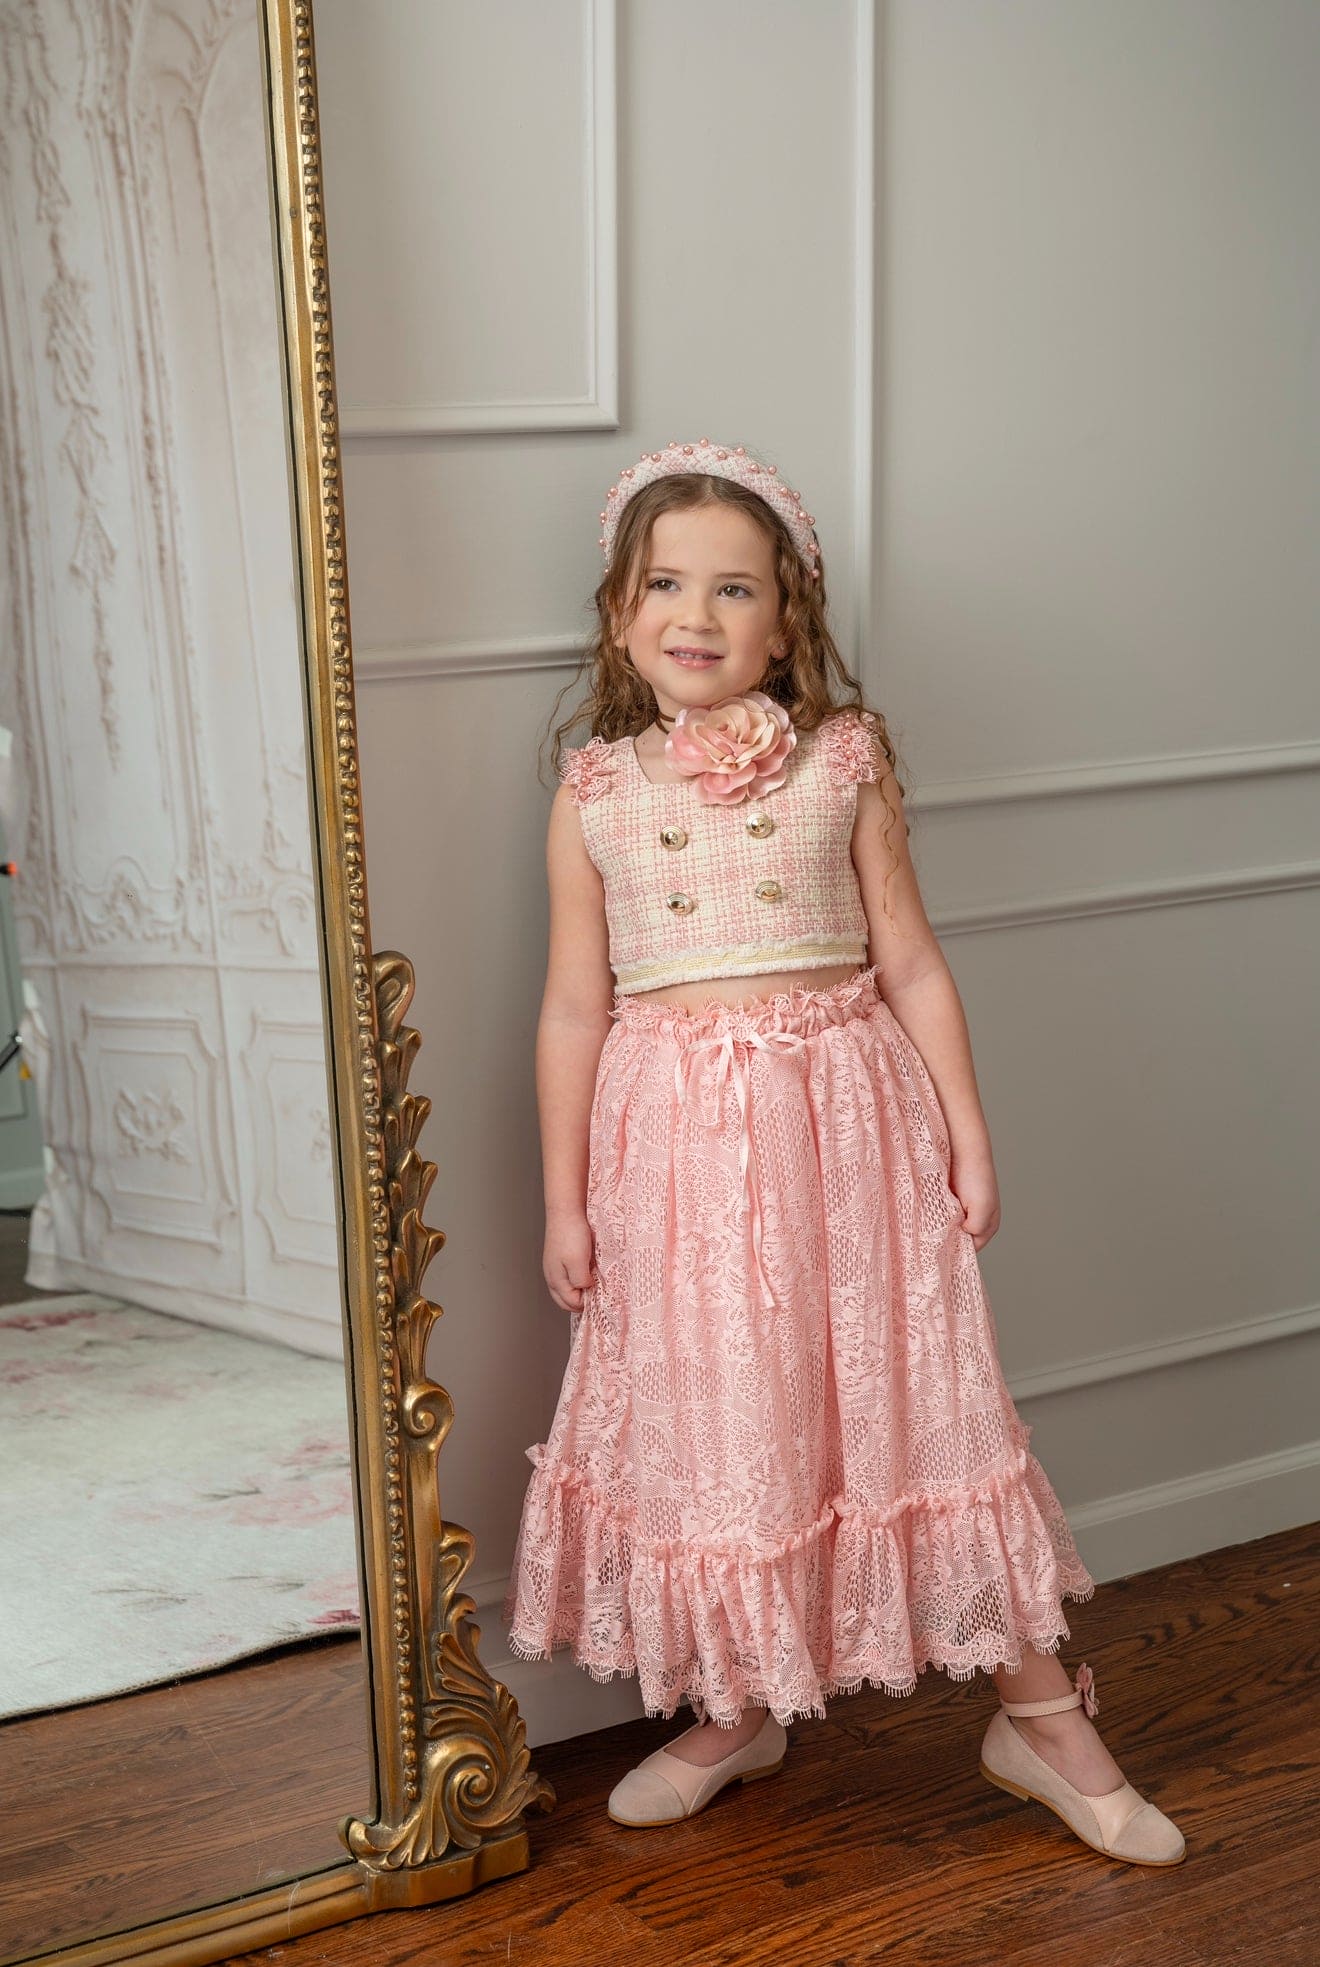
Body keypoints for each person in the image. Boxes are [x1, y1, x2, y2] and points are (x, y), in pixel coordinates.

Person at [502, 438, 1185, 1866]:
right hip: (676, 1161)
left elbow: (913, 962)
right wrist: (564, 1199)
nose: (696, 613)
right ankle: (742, 1708)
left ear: (786, 621)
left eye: (733, 588)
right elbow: (572, 1006)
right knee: (726, 1423)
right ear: (621, 616)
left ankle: (1039, 1717)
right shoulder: (595, 794)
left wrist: (970, 1140)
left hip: (852, 1132)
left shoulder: (841, 763)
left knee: (913, 1406)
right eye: (664, 584)